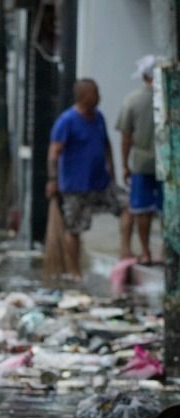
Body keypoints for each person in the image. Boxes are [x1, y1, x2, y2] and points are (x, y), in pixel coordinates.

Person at [47, 79, 126, 279]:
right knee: (73, 228)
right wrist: (53, 179)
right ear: (84, 96)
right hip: (75, 186)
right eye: (95, 93)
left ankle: (125, 251)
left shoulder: (98, 117)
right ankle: (75, 273)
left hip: (100, 182)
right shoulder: (67, 121)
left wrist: (113, 173)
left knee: (127, 207)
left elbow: (106, 144)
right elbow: (54, 153)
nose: (99, 96)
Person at [116, 55, 160, 264]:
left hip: (141, 163)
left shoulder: (132, 101)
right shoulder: (171, 98)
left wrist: (125, 165)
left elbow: (126, 137)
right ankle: (169, 252)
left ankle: (146, 252)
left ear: (144, 76)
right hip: (169, 164)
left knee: (142, 210)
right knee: (167, 209)